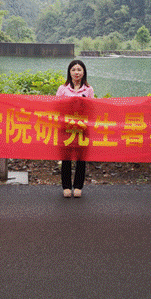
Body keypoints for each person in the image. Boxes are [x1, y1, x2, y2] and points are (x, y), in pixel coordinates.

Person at [56, 59, 94, 198]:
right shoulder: (62, 89)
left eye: (79, 70)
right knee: (66, 158)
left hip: (82, 128)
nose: (76, 72)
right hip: (66, 128)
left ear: (84, 72)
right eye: (73, 70)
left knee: (81, 158)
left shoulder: (88, 89)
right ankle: (66, 186)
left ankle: (78, 186)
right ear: (69, 72)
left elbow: (92, 108)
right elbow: (57, 106)